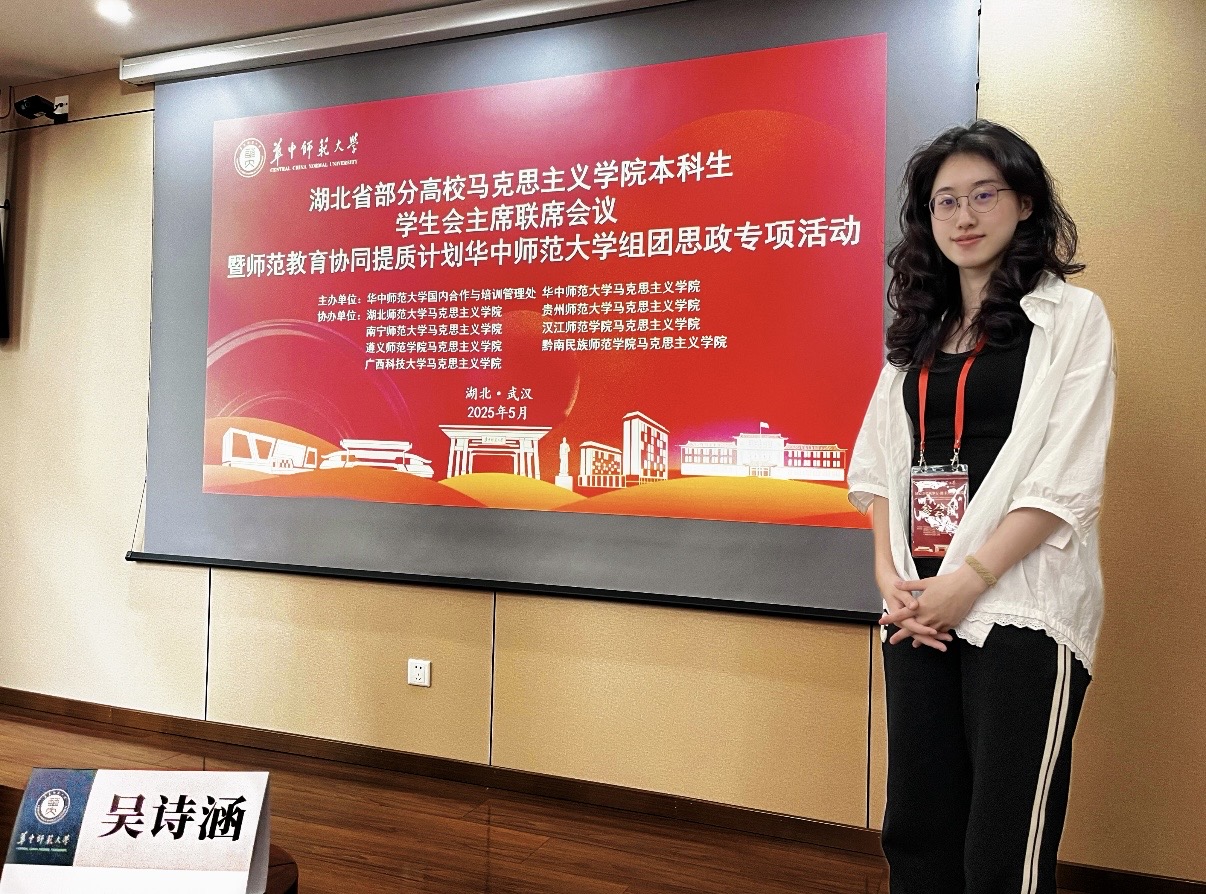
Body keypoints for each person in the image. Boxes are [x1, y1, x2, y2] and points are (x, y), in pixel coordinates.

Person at [847, 120, 1115, 894]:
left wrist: (969, 581)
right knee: (917, 828)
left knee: (1004, 845)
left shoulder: (1073, 319)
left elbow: (1064, 479)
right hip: (917, 605)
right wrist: (891, 578)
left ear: (1024, 204)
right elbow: (878, 467)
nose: (964, 216)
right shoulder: (917, 335)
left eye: (983, 195)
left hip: (1018, 601)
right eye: (946, 201)